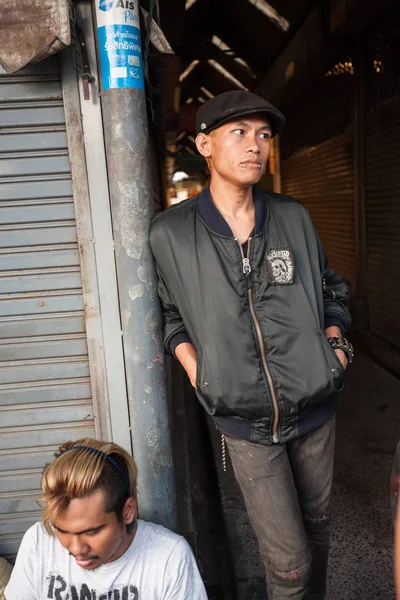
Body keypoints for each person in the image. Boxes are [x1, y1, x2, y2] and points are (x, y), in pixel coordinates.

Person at [150, 90, 353, 600]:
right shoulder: (172, 233)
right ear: (205, 144)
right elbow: (171, 314)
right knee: (288, 563)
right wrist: (200, 369)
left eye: (263, 135)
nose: (255, 146)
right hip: (245, 422)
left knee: (319, 530)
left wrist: (335, 348)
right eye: (239, 133)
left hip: (315, 408)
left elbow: (331, 288)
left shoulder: (292, 216)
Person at [5, 438, 207, 600]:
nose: (76, 548)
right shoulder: (38, 542)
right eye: (62, 530)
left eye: (91, 532)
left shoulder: (169, 557)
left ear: (127, 512)